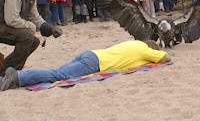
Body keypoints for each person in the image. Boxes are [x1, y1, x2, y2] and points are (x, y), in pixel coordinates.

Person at [0, 40, 171, 91]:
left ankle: (16, 76)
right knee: (57, 75)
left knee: (59, 73)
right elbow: (165, 58)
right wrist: (153, 57)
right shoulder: (145, 50)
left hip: (90, 53)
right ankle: (17, 76)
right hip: (95, 63)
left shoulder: (134, 43)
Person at [0, 0, 63, 75]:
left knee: (34, 42)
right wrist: (31, 27)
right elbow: (12, 19)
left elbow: (33, 16)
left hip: (3, 25)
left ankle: (6, 69)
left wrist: (48, 27)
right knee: (27, 36)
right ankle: (10, 72)